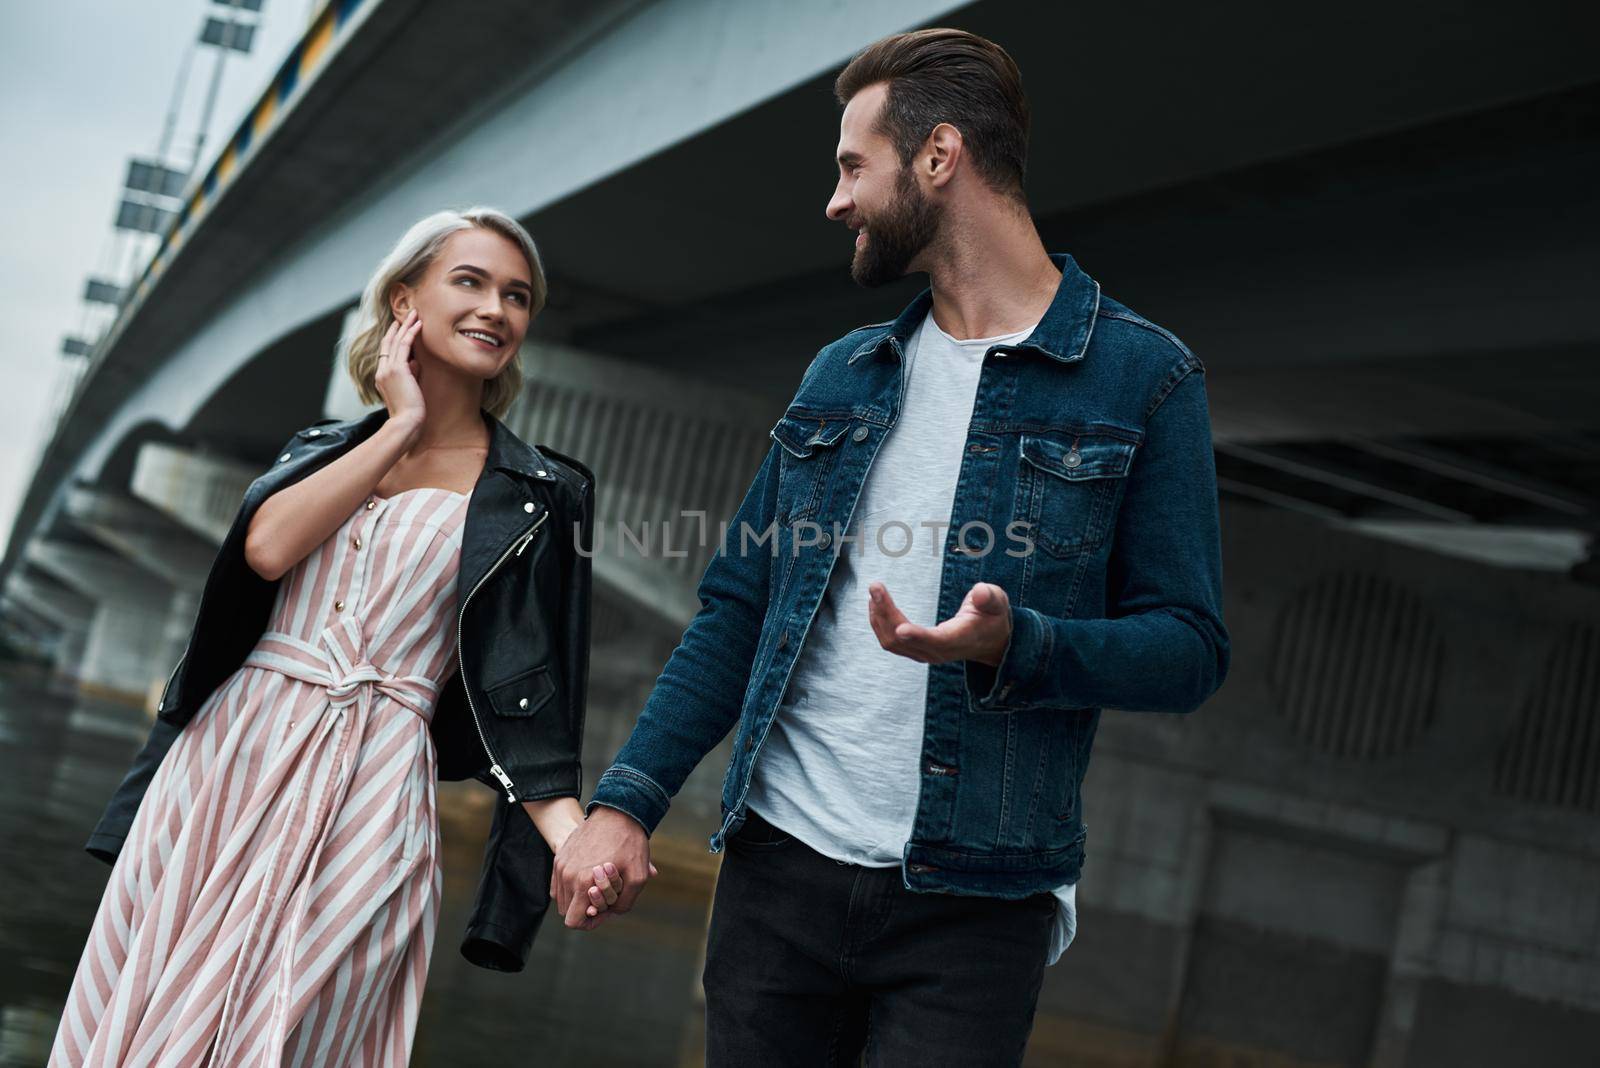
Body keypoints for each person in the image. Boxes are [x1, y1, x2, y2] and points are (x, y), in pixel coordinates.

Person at [555, 28, 1230, 1064]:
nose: (834, 201)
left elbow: (1188, 648)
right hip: (778, 879)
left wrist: (1020, 647)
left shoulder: (1144, 381)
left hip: (975, 906)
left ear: (938, 157)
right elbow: (738, 608)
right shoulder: (842, 373)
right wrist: (626, 803)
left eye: (849, 166)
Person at [51, 207, 628, 1066]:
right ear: (405, 302)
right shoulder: (319, 449)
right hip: (224, 767)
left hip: (374, 787)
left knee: (298, 1030)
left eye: (517, 296)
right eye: (469, 282)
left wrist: (576, 838)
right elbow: (268, 550)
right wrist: (396, 425)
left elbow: (536, 692)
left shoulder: (540, 494)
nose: (498, 310)